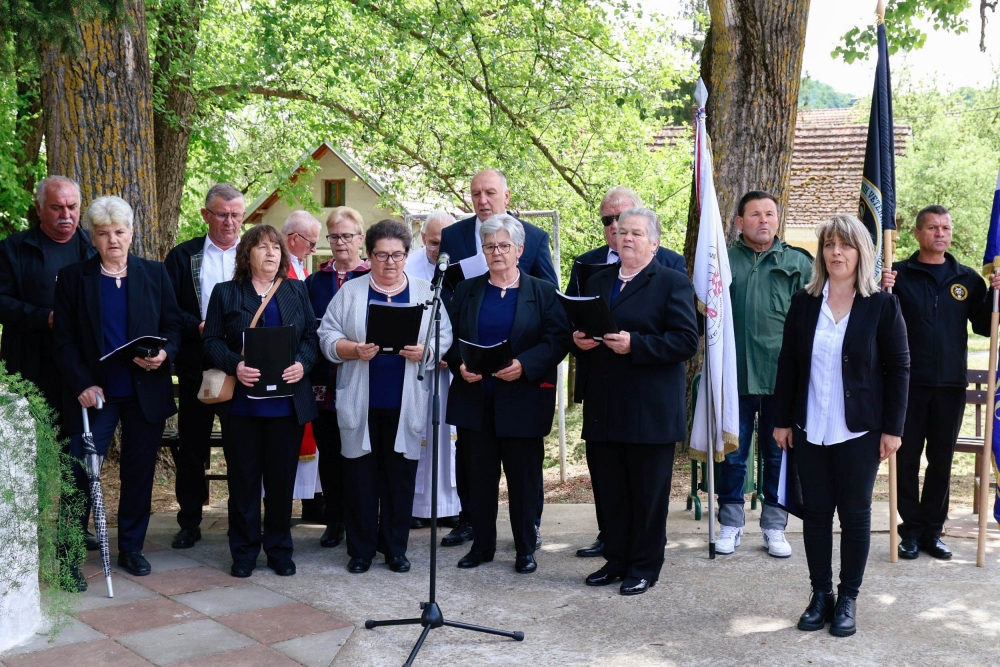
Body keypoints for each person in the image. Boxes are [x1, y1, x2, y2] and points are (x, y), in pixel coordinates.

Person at [773, 214, 909, 637]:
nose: (836, 252)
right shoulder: (804, 301)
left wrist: (893, 428)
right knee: (815, 514)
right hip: (810, 426)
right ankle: (819, 595)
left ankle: (848, 596)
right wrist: (781, 420)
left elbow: (899, 367)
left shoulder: (881, 304)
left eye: (845, 245)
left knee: (854, 515)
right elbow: (789, 365)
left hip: (859, 430)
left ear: (861, 252)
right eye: (829, 244)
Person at [53, 196, 182, 582]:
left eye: (120, 232)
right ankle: (70, 557)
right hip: (98, 393)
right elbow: (63, 341)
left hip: (146, 391)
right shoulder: (75, 278)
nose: (113, 240)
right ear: (91, 237)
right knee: (81, 473)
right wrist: (83, 384)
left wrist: (164, 355)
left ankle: (132, 548)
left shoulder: (155, 274)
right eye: (104, 233)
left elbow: (173, 328)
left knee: (139, 473)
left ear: (132, 233)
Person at [572, 208, 698, 595]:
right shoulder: (598, 278)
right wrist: (576, 342)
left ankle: (644, 565)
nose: (626, 238)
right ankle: (617, 559)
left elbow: (685, 341)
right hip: (605, 404)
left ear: (655, 243)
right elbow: (575, 326)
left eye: (636, 233)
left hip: (650, 409)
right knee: (611, 489)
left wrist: (636, 344)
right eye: (621, 231)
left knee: (647, 492)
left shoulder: (672, 282)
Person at [318, 219, 453, 574]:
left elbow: (445, 336)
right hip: (360, 403)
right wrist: (352, 349)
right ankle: (360, 551)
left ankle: (395, 549)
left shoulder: (426, 293)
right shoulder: (351, 292)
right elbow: (326, 335)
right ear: (369, 255)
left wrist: (424, 350)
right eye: (381, 255)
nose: (389, 263)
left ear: (407, 255)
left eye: (397, 255)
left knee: (399, 479)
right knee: (361, 479)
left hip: (404, 402)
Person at [438, 168, 558, 550]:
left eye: (504, 247)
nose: (497, 252)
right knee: (479, 475)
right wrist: (459, 363)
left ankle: (525, 547)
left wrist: (526, 364)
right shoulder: (468, 291)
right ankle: (482, 546)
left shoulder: (539, 291)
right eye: (490, 247)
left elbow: (556, 336)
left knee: (523, 479)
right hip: (475, 396)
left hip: (521, 395)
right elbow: (449, 335)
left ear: (519, 250)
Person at [203, 224, 320, 578]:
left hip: (285, 405)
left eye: (275, 247)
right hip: (242, 405)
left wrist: (302, 364)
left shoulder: (296, 291)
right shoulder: (226, 293)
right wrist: (235, 365)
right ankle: (244, 552)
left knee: (282, 481)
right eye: (262, 246)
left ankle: (280, 550)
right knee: (244, 480)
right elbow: (210, 341)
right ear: (247, 254)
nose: (270, 252)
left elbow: (311, 338)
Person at [884, 205, 999, 561]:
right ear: (918, 233)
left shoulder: (967, 279)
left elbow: (984, 325)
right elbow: (878, 322)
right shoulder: (898, 275)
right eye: (932, 227)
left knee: (941, 460)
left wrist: (997, 295)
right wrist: (880, 290)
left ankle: (934, 531)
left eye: (945, 228)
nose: (940, 233)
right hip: (907, 386)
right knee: (906, 459)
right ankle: (910, 532)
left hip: (950, 386)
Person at [718, 190, 813, 559]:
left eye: (769, 214)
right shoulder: (722, 262)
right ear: (739, 221)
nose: (763, 220)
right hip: (736, 377)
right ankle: (731, 523)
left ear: (778, 220)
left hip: (781, 379)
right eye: (754, 214)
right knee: (734, 454)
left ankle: (774, 526)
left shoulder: (800, 263)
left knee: (778, 455)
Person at [163, 183, 243, 550]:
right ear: (205, 215)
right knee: (192, 447)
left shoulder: (254, 253)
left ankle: (241, 524)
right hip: (197, 365)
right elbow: (168, 310)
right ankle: (189, 522)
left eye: (236, 215)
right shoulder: (183, 256)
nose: (230, 222)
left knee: (242, 449)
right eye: (223, 214)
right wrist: (197, 326)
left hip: (243, 368)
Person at [0, 176, 97, 419]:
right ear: (38, 207)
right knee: (32, 444)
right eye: (57, 207)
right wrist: (46, 319)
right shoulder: (13, 249)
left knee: (75, 445)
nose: (66, 214)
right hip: (28, 365)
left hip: (82, 368)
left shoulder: (94, 248)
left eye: (72, 207)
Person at [304, 206, 370, 548]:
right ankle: (334, 520)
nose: (341, 242)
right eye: (334, 236)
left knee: (359, 452)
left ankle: (363, 518)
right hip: (323, 379)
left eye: (347, 235)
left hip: (363, 378)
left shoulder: (373, 277)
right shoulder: (315, 281)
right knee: (329, 452)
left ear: (361, 238)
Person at [404, 211, 462, 529]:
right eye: (434, 242)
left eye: (445, 243)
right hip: (416, 366)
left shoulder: (463, 267)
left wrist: (449, 354)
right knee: (418, 430)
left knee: (448, 435)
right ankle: (416, 506)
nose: (439, 250)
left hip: (452, 367)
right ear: (423, 237)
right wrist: (426, 353)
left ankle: (451, 505)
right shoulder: (409, 266)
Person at [281, 211, 326, 523]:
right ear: (293, 239)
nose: (314, 248)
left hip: (303, 364)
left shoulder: (298, 266)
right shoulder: (277, 267)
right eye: (311, 242)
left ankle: (312, 504)